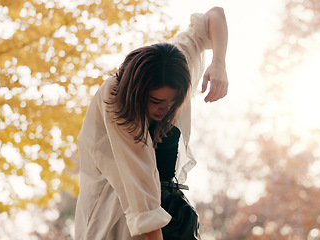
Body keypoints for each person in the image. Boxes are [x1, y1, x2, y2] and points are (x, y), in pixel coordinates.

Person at [74, 6, 228, 240]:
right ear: (138, 92)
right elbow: (139, 187)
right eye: (155, 101)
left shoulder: (175, 65)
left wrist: (219, 63)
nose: (163, 109)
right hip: (119, 213)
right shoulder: (116, 100)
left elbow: (214, 16)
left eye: (172, 102)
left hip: (168, 209)